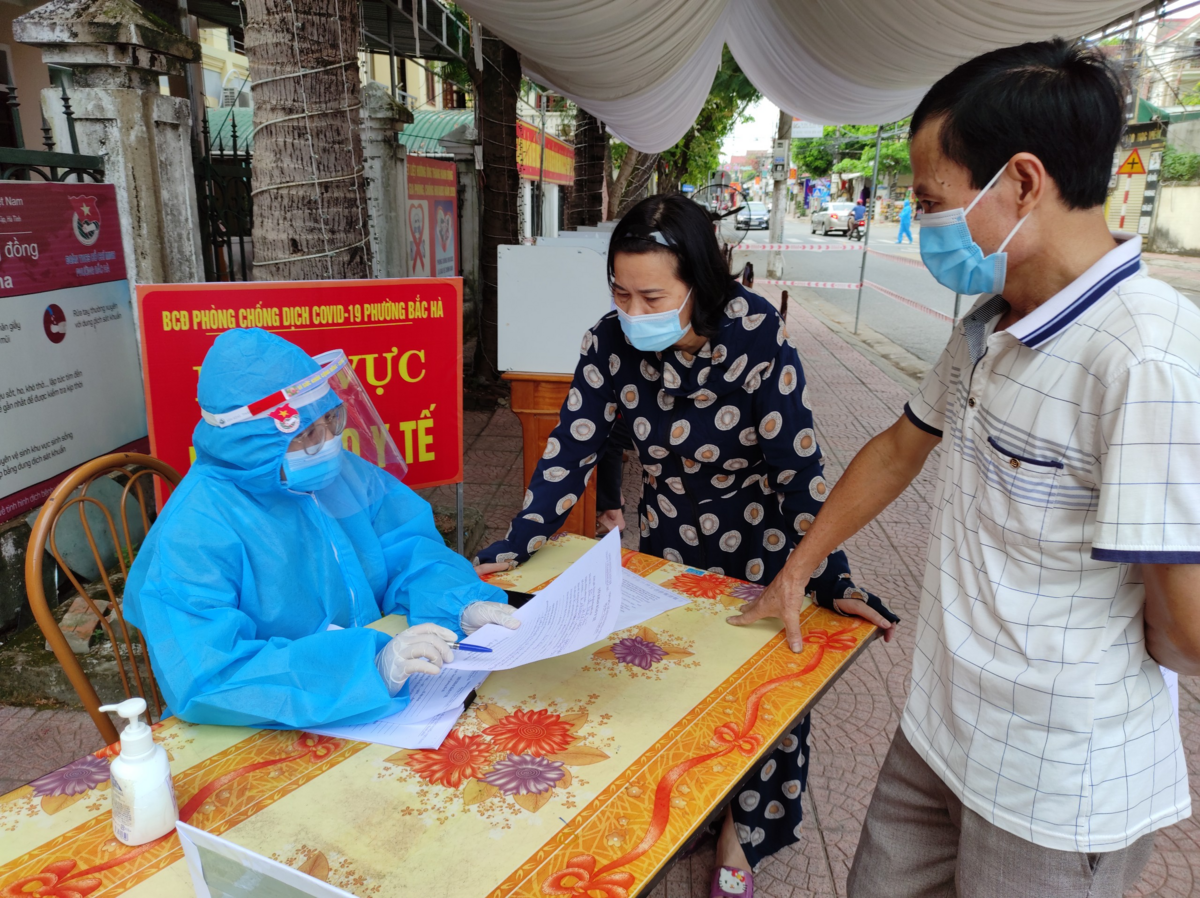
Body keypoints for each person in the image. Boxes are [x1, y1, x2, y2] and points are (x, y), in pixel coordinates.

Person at [729, 39, 1199, 897]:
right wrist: (798, 568)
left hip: (1055, 787)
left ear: (1021, 182)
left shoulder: (1145, 358)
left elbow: (1185, 630)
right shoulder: (992, 319)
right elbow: (901, 445)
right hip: (942, 732)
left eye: (930, 201)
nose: (923, 225)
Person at [475, 193, 898, 894]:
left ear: (700, 283)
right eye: (620, 293)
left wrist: (831, 577)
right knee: (674, 672)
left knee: (760, 689)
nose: (632, 312)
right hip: (671, 536)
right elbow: (571, 449)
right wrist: (519, 541)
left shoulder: (757, 335)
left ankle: (743, 831)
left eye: (652, 297)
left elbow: (798, 470)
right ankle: (692, 797)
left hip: (761, 538)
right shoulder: (609, 343)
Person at [124, 328, 518, 729]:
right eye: (309, 433)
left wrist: (460, 604)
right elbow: (210, 675)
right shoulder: (193, 530)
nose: (330, 441)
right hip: (257, 723)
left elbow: (410, 549)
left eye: (331, 419)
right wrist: (367, 668)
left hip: (378, 702)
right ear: (253, 443)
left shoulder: (333, 476)